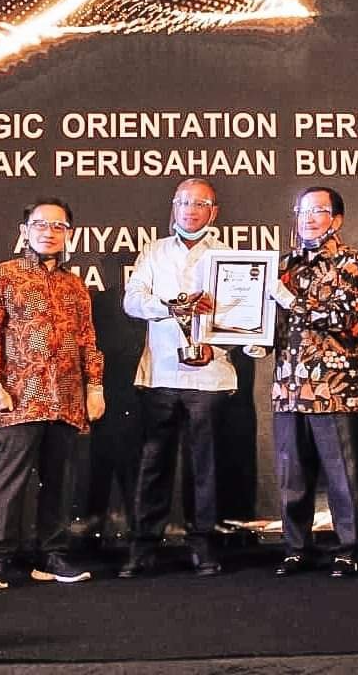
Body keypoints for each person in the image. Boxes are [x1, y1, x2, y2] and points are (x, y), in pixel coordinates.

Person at [0, 198, 105, 590]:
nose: (49, 232)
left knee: (60, 480)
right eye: (40, 224)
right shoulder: (4, 275)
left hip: (67, 398)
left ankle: (52, 555)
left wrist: (94, 387)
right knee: (10, 480)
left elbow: (87, 340)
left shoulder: (75, 285)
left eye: (58, 226)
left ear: (69, 234)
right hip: (20, 396)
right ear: (24, 230)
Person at [119, 178, 234, 578]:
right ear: (174, 206)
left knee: (204, 464)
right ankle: (143, 546)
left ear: (213, 212)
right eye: (183, 201)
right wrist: (171, 307)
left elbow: (242, 315)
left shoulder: (228, 257)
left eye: (199, 203)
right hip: (162, 373)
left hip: (210, 374)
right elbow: (132, 301)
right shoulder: (154, 251)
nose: (190, 209)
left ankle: (203, 545)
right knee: (154, 462)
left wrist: (219, 345)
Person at [268, 186, 358, 578]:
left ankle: (349, 548)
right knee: (291, 473)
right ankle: (296, 548)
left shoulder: (349, 261)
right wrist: (256, 336)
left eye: (318, 211)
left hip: (331, 385)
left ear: (336, 220)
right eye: (302, 211)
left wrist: (290, 301)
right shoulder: (283, 265)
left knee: (340, 473)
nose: (308, 218)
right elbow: (271, 320)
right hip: (288, 385)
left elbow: (343, 317)